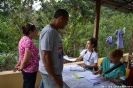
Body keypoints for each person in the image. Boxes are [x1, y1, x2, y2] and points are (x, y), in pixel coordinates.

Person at [39, 9, 69, 88]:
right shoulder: (49, 32)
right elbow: (45, 57)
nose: (66, 24)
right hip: (50, 73)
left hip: (53, 72)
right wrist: (54, 77)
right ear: (61, 18)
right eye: (66, 21)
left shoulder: (54, 31)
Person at [13, 23, 39, 88]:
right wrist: (21, 67)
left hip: (26, 69)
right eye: (35, 31)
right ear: (30, 32)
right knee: (29, 86)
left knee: (26, 85)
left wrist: (19, 63)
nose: (37, 32)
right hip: (30, 70)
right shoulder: (29, 42)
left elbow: (21, 54)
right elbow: (26, 60)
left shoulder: (23, 39)